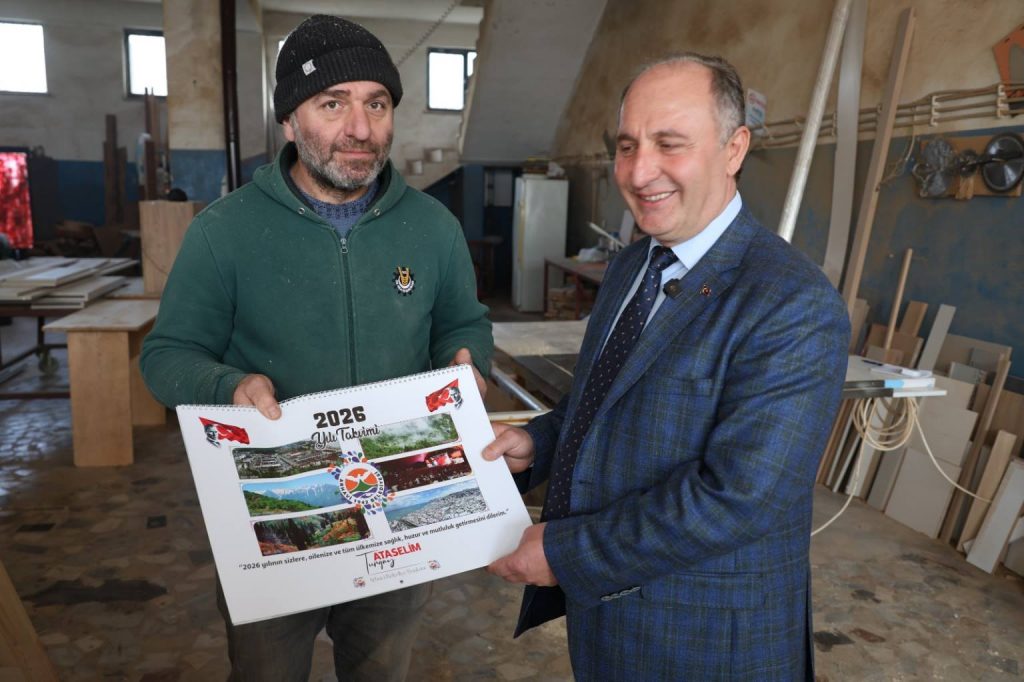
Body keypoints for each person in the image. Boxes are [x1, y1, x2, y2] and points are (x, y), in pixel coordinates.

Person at [140, 14, 492, 682]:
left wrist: (465, 363)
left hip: (398, 503)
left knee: (381, 671)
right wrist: (228, 387)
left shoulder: (433, 228)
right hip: (279, 505)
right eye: (333, 104)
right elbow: (166, 356)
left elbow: (463, 325)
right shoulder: (224, 232)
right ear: (289, 120)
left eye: (377, 104)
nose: (360, 128)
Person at [484, 53, 849, 680]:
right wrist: (537, 443)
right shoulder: (634, 265)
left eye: (669, 144)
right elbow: (602, 399)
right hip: (607, 623)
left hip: (706, 642)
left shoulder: (793, 302)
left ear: (734, 149)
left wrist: (568, 554)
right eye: (627, 146)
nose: (638, 171)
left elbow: (738, 498)